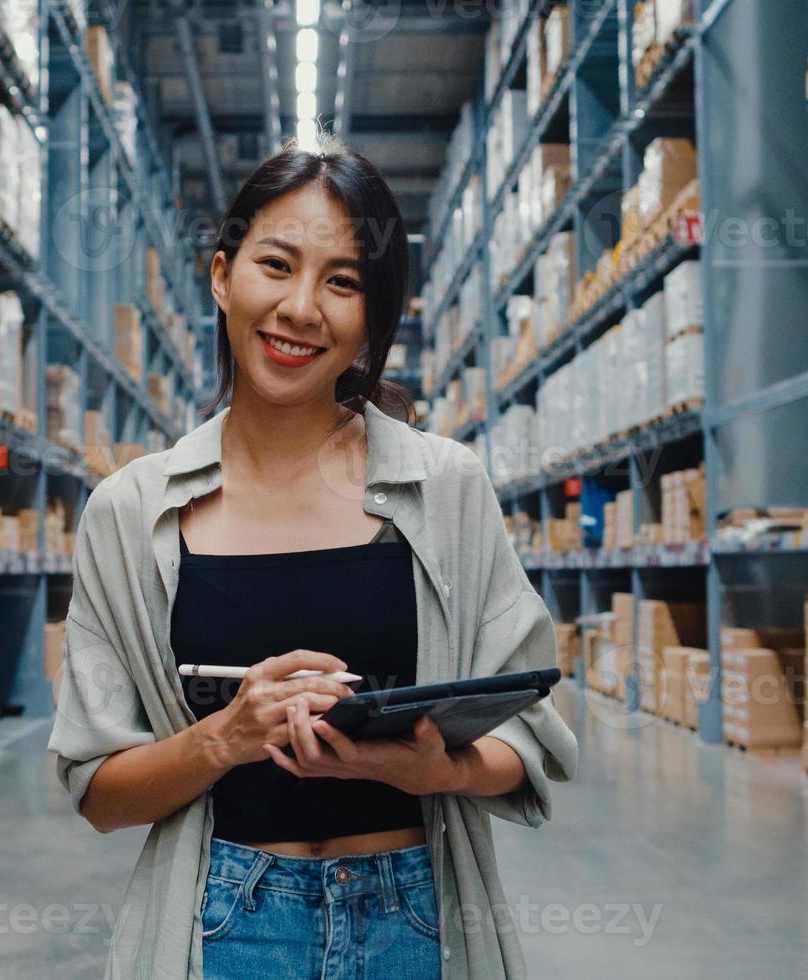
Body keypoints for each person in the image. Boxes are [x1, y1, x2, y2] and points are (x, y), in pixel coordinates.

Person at [49, 135, 577, 979]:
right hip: (223, 921)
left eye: (342, 282)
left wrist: (438, 767)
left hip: (415, 914)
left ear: (372, 315)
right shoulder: (132, 513)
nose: (301, 308)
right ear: (222, 276)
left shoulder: (444, 488)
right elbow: (100, 792)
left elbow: (534, 732)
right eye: (276, 265)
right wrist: (226, 736)